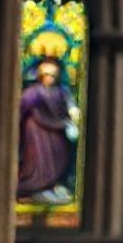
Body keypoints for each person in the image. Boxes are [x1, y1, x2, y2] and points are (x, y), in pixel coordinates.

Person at [17, 59, 77, 202]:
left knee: (59, 157)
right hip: (36, 131)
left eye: (52, 75)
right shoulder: (34, 91)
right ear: (40, 75)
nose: (49, 78)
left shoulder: (61, 92)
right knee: (38, 161)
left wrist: (73, 111)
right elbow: (21, 106)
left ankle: (51, 185)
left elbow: (70, 104)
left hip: (57, 130)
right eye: (46, 75)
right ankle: (36, 188)